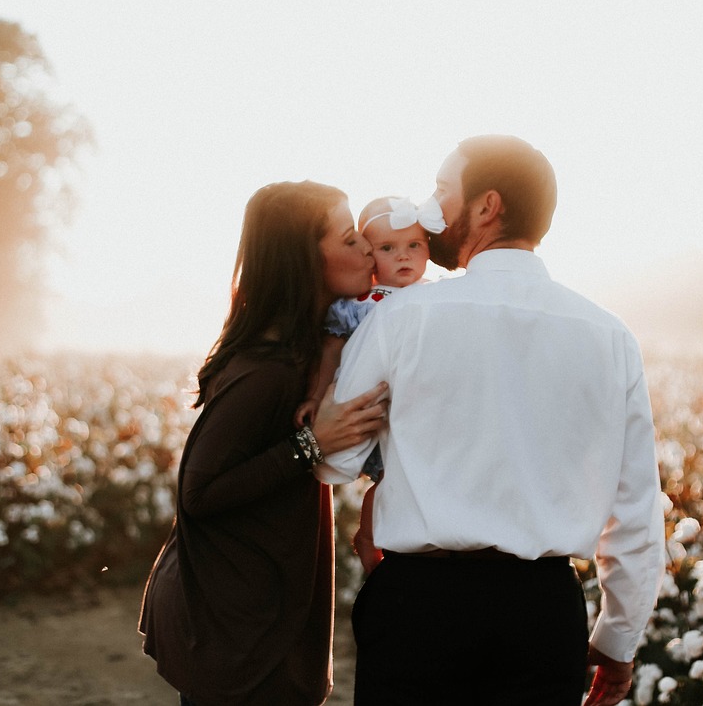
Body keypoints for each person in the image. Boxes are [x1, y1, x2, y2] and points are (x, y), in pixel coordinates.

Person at [316, 136, 664, 706]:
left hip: (418, 607)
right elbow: (635, 507)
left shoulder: (399, 319)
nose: (429, 210)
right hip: (542, 615)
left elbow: (335, 463)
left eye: (442, 192)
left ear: (487, 206)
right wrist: (618, 640)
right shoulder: (610, 336)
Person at [139, 180, 390, 706]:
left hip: (250, 604)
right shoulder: (269, 370)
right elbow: (197, 490)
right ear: (305, 260)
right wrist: (310, 444)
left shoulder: (306, 351)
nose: (368, 247)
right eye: (350, 239)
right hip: (237, 623)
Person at [295, 195, 444, 572]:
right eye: (388, 248)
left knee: (402, 478)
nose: (404, 256)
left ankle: (396, 544)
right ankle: (367, 536)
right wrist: (316, 395)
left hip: (412, 409)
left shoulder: (439, 297)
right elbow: (331, 351)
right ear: (369, 255)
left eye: (414, 245)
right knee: (384, 480)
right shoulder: (362, 303)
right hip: (368, 406)